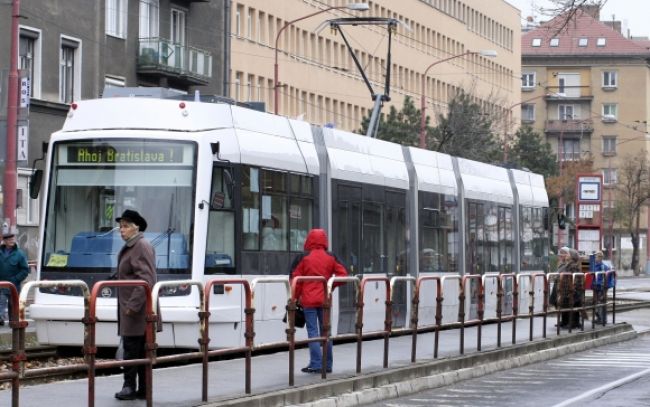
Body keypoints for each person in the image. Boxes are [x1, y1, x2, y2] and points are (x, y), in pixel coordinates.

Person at [290, 228, 348, 374]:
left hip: (308, 301)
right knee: (326, 332)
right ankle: (327, 364)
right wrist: (330, 286)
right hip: (325, 301)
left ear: (309, 239)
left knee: (313, 332)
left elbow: (295, 280)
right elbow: (343, 275)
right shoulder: (331, 256)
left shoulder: (304, 257)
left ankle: (315, 364)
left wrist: (295, 298)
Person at [114, 210, 157, 401]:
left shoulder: (140, 246)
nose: (121, 230)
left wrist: (132, 306)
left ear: (135, 227)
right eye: (120, 226)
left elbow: (146, 279)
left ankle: (129, 387)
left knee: (132, 349)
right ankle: (143, 389)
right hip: (135, 308)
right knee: (138, 349)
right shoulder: (135, 245)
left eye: (125, 226)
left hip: (137, 310)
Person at [0, 233, 29, 326]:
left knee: (13, 305)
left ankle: (13, 323)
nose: (12, 241)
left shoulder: (19, 254)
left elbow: (25, 270)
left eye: (13, 239)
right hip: (1, 284)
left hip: (14, 285)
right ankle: (0, 317)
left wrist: (15, 279)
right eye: (9, 240)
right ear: (4, 241)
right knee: (1, 301)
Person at [592, 251, 610, 324]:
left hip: (600, 287)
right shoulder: (595, 265)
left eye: (596, 257)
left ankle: (602, 319)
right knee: (597, 303)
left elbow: (603, 278)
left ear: (600, 258)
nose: (595, 258)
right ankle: (599, 318)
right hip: (596, 286)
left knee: (600, 303)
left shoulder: (602, 266)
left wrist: (604, 288)